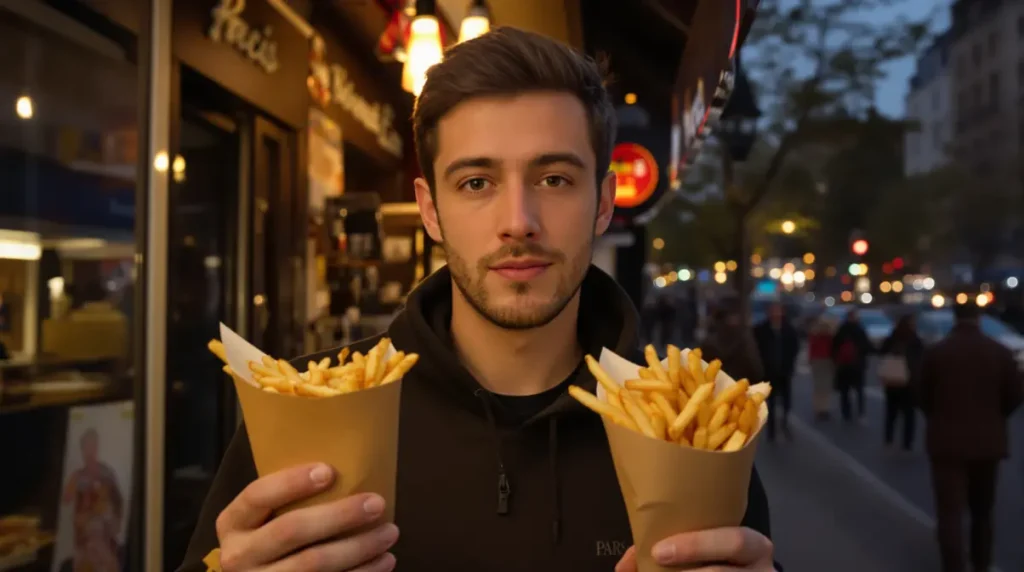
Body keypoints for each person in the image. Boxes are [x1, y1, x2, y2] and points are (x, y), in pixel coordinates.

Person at [178, 28, 777, 572]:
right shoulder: (298, 411)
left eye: (554, 179)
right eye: (476, 183)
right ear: (430, 209)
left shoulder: (702, 437)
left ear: (602, 203)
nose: (518, 221)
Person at [919, 303, 1022, 572]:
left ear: (955, 318)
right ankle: (981, 562)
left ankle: (953, 565)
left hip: (946, 443)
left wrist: (938, 415)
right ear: (979, 319)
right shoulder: (1000, 352)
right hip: (988, 443)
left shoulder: (937, 353)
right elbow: (1014, 396)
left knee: (950, 513)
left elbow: (921, 395)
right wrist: (994, 416)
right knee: (982, 511)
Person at [61, 428, 124, 572]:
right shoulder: (77, 476)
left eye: (93, 446)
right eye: (86, 447)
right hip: (84, 543)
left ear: (97, 448)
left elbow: (118, 504)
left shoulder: (107, 473)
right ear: (82, 450)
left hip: (104, 540)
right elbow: (66, 501)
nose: (90, 451)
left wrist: (110, 518)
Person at [753, 302, 799, 441]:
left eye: (778, 311)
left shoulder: (788, 329)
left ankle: (784, 423)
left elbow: (794, 347)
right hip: (768, 371)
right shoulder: (761, 329)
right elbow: (756, 348)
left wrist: (790, 363)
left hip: (784, 369)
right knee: (771, 402)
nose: (776, 313)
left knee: (786, 400)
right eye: (773, 311)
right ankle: (771, 430)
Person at [878, 314, 923, 452]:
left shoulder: (892, 338)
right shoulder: (915, 340)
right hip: (908, 381)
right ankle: (907, 442)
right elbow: (920, 360)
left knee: (891, 412)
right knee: (909, 414)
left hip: (892, 381)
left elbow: (882, 352)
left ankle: (889, 438)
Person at [703, 300, 764, 385]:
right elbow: (756, 371)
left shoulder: (708, 342)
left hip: (717, 388)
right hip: (741, 387)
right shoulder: (744, 340)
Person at [831, 309, 873, 422]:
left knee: (845, 391)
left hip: (844, 366)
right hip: (857, 365)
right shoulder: (860, 330)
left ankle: (846, 413)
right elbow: (867, 346)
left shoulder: (842, 330)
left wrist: (835, 360)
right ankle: (860, 412)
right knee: (859, 390)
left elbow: (834, 346)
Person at [806, 317, 834, 421]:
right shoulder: (829, 336)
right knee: (825, 386)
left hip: (817, 360)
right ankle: (824, 408)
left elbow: (811, 348)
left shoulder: (815, 335)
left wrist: (810, 359)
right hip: (826, 360)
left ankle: (819, 408)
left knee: (818, 386)